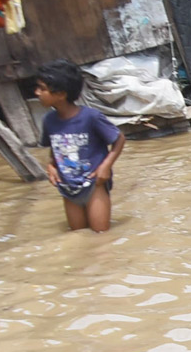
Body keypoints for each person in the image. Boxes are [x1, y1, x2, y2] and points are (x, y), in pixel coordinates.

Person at [35, 59, 125, 233]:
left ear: (61, 94)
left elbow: (119, 139)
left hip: (94, 185)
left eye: (42, 88)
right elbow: (55, 148)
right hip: (68, 187)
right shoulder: (49, 121)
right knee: (78, 235)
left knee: (100, 236)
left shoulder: (91, 117)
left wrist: (106, 167)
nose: (37, 92)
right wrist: (51, 165)